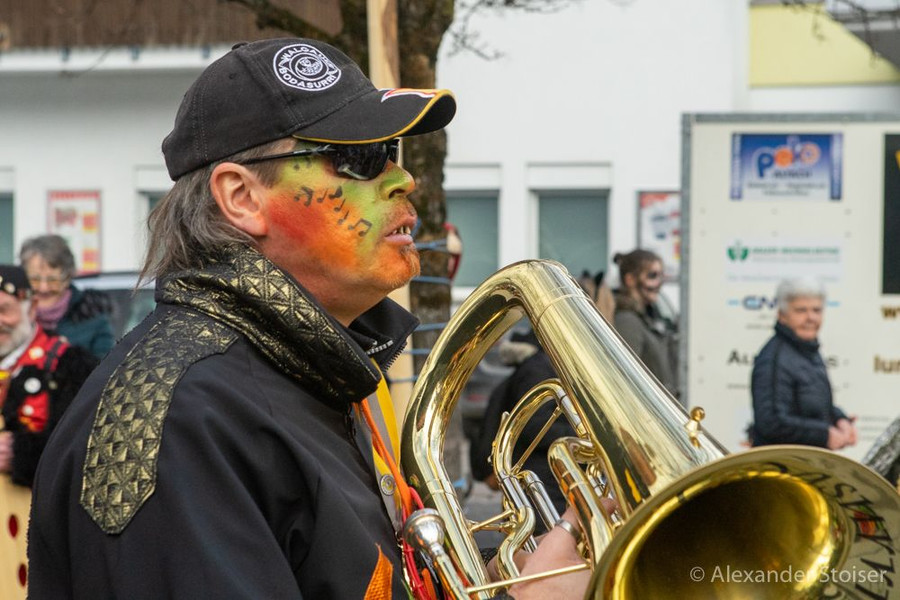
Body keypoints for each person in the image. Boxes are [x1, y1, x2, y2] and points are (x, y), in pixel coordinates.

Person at [27, 38, 589, 599]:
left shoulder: (312, 369)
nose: (402, 179)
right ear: (242, 197)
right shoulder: (183, 418)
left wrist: (505, 580)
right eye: (360, 158)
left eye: (391, 150)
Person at [0, 265, 97, 487]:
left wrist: (19, 453)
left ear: (32, 308)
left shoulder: (69, 364)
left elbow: (84, 448)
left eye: (4, 310)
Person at [470, 329, 576, 523]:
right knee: (547, 534)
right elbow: (534, 425)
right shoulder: (538, 369)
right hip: (541, 480)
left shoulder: (538, 366)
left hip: (542, 480)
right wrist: (581, 434)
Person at [749, 277, 856, 449]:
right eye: (801, 310)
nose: (810, 317)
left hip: (807, 461)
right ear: (782, 315)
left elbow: (814, 407)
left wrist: (840, 420)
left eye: (816, 310)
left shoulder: (808, 350)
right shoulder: (774, 359)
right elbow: (771, 422)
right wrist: (825, 435)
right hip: (782, 463)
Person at [19, 234, 115, 359]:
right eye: (34, 280)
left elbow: (107, 367)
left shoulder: (92, 317)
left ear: (68, 277)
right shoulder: (10, 317)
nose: (44, 288)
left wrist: (71, 357)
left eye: (53, 280)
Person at [612, 249, 678, 396]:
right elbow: (625, 376)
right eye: (652, 276)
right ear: (630, 280)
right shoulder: (627, 321)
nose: (659, 283)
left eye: (661, 276)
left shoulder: (650, 317)